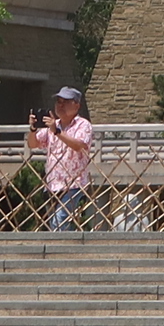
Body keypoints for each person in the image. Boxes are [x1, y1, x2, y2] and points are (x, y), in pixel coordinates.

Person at [28, 87, 98, 230]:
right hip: (53, 184)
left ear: (76, 105)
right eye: (58, 102)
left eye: (65, 102)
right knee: (55, 223)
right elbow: (33, 144)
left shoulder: (83, 125)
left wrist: (57, 132)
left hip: (74, 184)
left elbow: (79, 145)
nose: (61, 105)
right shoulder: (53, 126)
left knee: (60, 220)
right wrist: (33, 129)